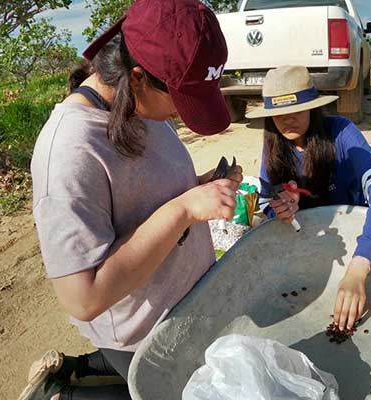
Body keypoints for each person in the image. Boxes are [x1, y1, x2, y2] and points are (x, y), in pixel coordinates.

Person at [23, 1, 242, 399]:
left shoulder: (137, 108)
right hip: (142, 332)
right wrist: (184, 209)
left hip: (182, 306)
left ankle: (73, 371)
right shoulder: (71, 150)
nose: (180, 113)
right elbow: (83, 298)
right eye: (181, 97)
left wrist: (200, 187)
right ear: (138, 77)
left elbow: (141, 200)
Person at [250, 65, 371, 332]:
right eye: (278, 114)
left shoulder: (341, 133)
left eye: (296, 109)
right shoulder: (274, 144)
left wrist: (359, 268)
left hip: (357, 241)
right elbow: (265, 201)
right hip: (307, 251)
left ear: (313, 106)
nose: (287, 120)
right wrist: (281, 210)